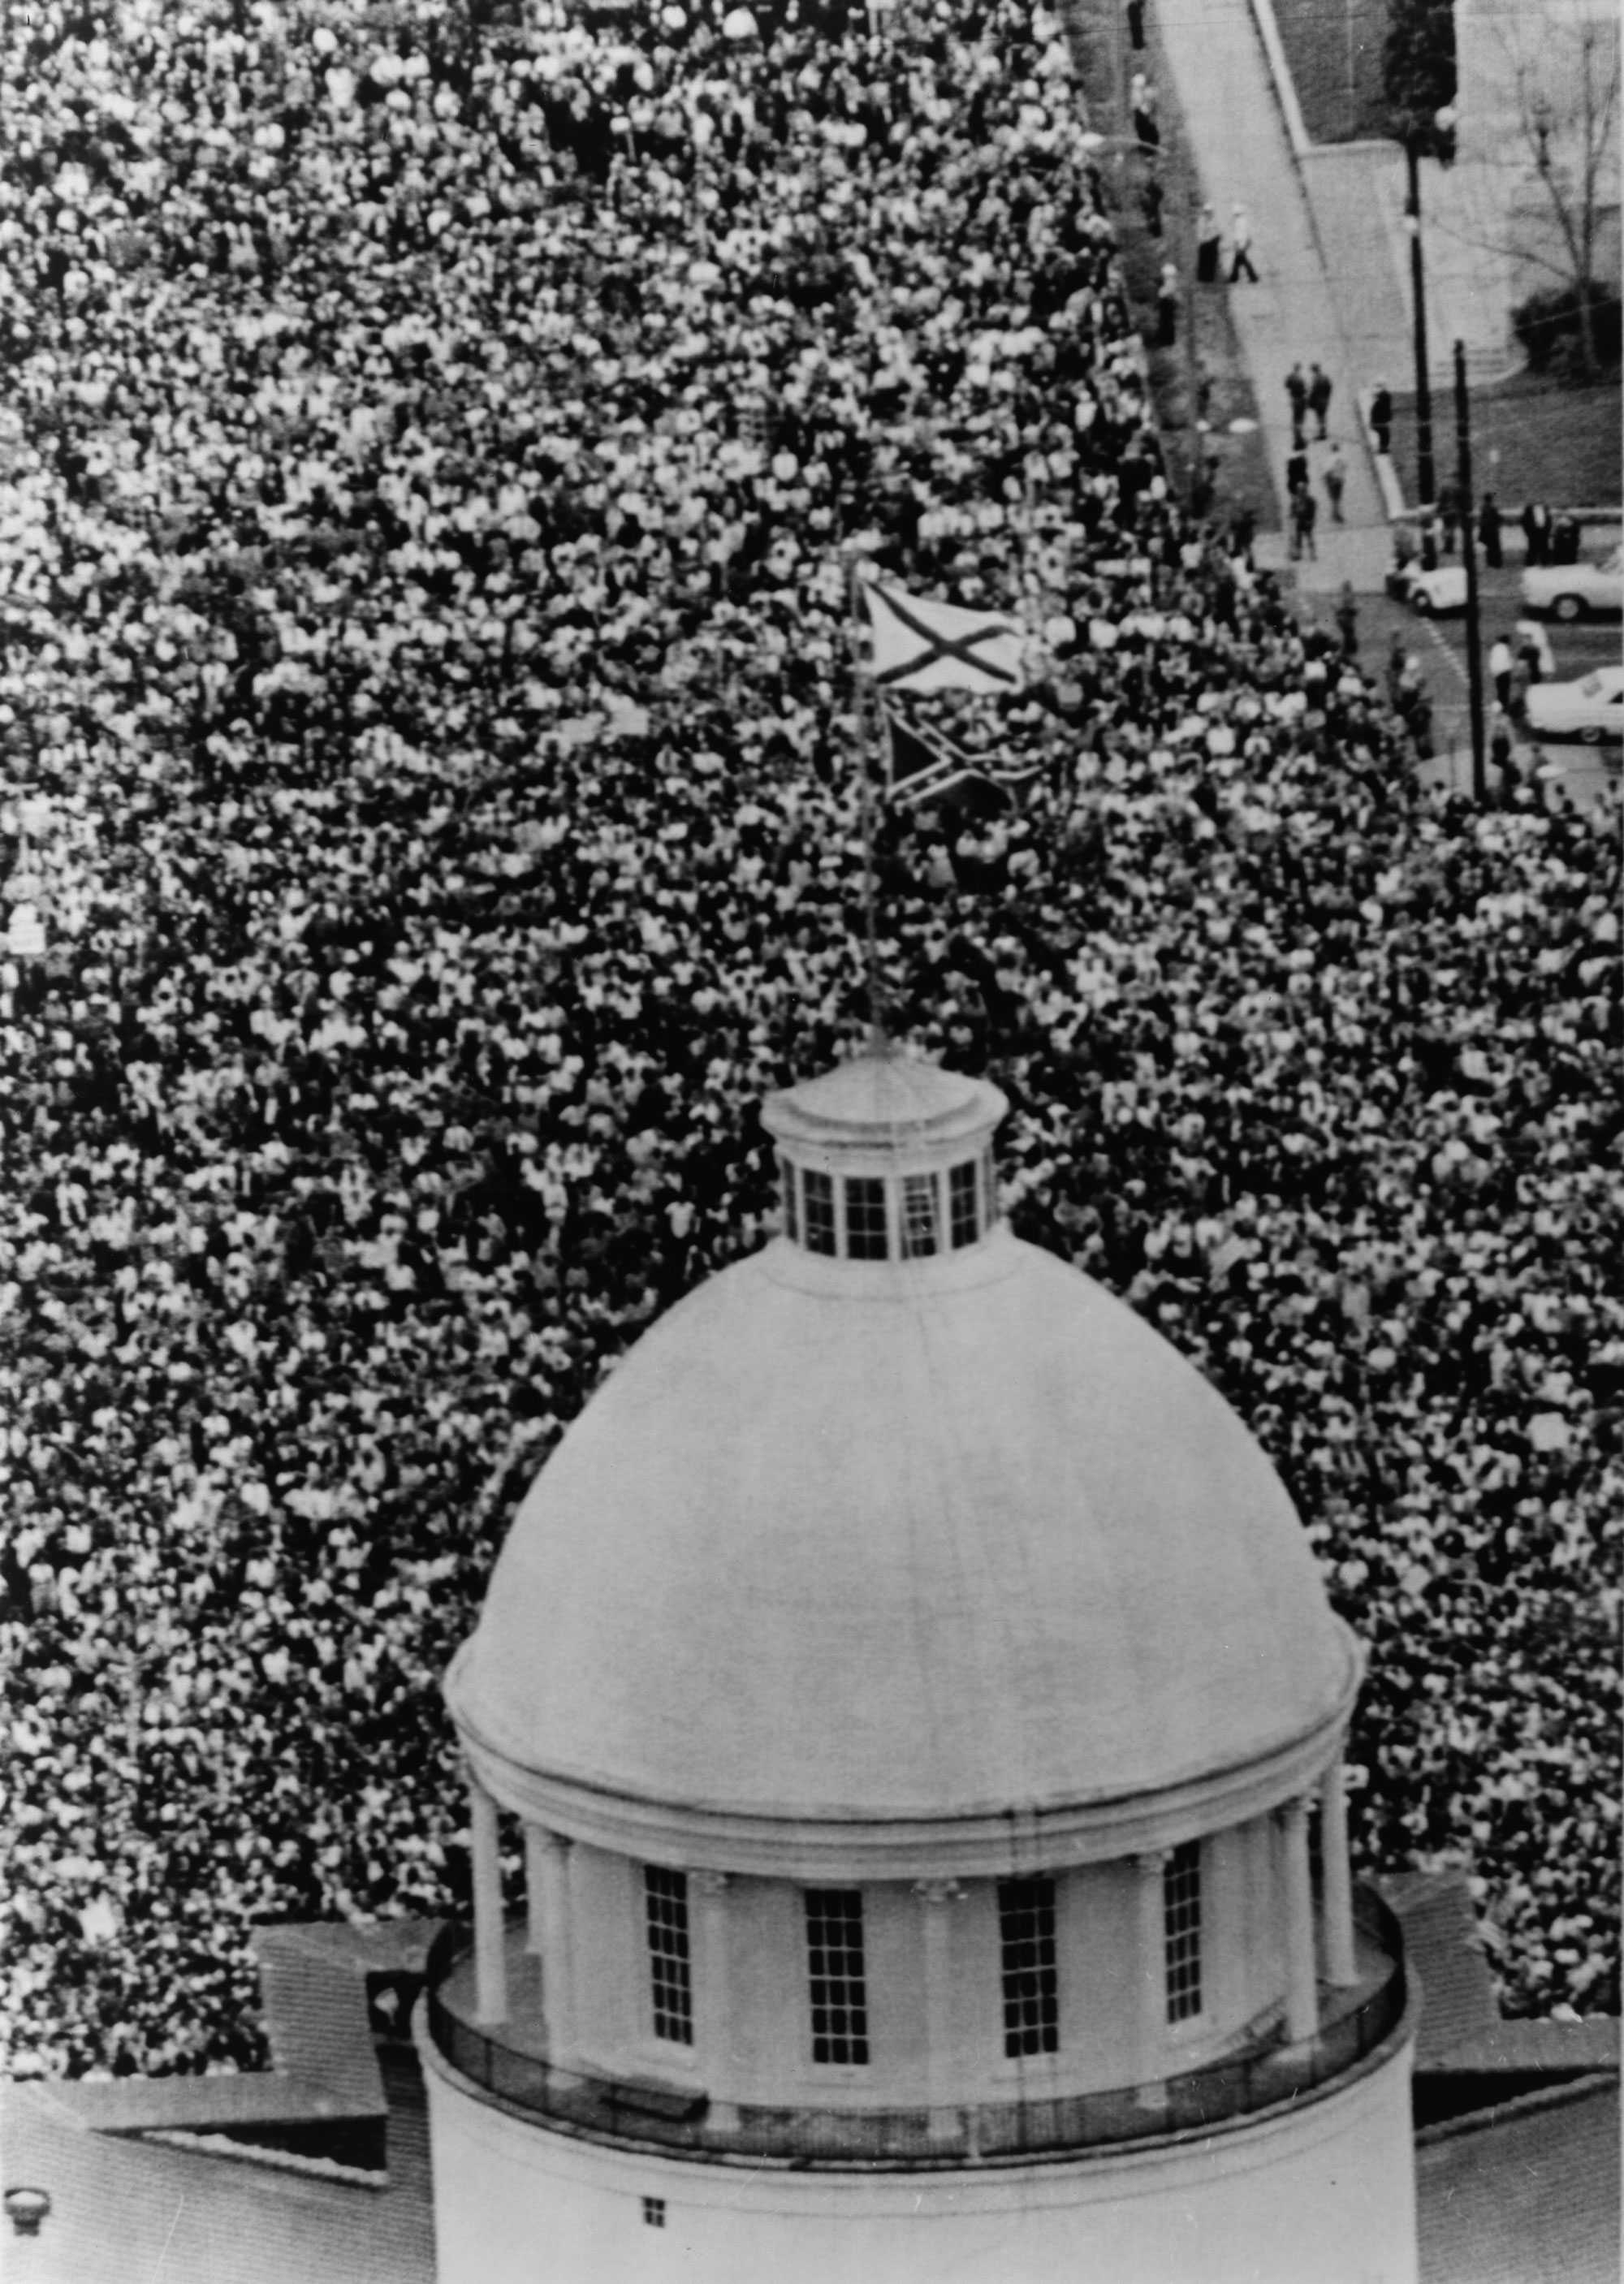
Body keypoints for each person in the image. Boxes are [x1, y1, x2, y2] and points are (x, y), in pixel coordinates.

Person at [1229, 205, 1258, 282]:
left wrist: (1237, 245)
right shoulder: (1244, 220)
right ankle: (1235, 277)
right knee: (1240, 260)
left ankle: (1252, 277)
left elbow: (1238, 235)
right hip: (1244, 243)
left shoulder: (1238, 222)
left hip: (1241, 244)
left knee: (1242, 260)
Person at [1195, 203, 1221, 283]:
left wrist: (1216, 237)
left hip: (1212, 244)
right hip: (1204, 244)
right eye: (1207, 212)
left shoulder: (1214, 220)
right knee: (1203, 263)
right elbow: (1200, 234)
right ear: (1205, 212)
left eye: (1210, 212)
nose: (1209, 213)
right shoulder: (1201, 220)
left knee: (1212, 262)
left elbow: (1217, 231)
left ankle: (1210, 279)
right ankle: (1202, 279)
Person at [1155, 259, 1178, 347]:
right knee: (1166, 321)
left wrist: (1161, 293)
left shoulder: (1170, 282)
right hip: (1167, 302)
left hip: (1167, 302)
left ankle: (1167, 340)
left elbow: (1164, 293)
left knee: (1166, 322)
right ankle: (1166, 339)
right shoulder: (1171, 281)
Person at [1489, 633, 1514, 713]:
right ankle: (1504, 708)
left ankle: (1500, 706)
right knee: (1505, 691)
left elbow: (1493, 661)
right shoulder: (1505, 648)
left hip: (1497, 673)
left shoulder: (1495, 648)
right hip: (1505, 672)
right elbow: (1508, 662)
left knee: (1500, 691)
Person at [1307, 363, 1332, 439]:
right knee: (1323, 416)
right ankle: (1324, 432)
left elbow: (1313, 391)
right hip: (1325, 400)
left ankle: (1322, 434)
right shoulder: (1325, 377)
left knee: (1319, 417)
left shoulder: (1315, 379)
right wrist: (1327, 397)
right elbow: (1330, 387)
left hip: (1318, 401)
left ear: (1314, 370)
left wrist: (1309, 401)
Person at [1323, 443, 1347, 523]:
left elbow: (1327, 471)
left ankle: (1335, 513)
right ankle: (1336, 514)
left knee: (1334, 498)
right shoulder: (1341, 458)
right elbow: (1345, 466)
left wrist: (1326, 481)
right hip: (1339, 480)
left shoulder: (1330, 458)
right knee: (1337, 498)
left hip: (1332, 479)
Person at [1521, 499, 1551, 565]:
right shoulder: (1528, 509)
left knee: (1544, 547)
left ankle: (1545, 562)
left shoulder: (1545, 508)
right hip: (1533, 531)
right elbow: (1524, 520)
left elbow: (1549, 519)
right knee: (1532, 547)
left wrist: (1548, 529)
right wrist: (1527, 531)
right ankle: (1531, 563)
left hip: (1543, 531)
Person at [1478, 492, 1503, 569]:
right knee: (1495, 548)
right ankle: (1496, 564)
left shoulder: (1483, 508)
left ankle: (1491, 563)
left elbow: (1482, 521)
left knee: (1489, 548)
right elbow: (1498, 519)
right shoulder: (1493, 508)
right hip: (1493, 531)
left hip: (1486, 531)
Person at [1285, 364, 1308, 447]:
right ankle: (1299, 438)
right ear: (1299, 369)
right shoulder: (1301, 378)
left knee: (1296, 419)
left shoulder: (1290, 377)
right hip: (1301, 400)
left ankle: (1297, 438)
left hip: (1295, 400)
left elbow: (1287, 385)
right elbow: (1305, 390)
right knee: (1300, 419)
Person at [1335, 581, 1359, 657]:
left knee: (1347, 634)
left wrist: (1338, 611)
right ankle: (1351, 648)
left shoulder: (1347, 596)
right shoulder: (1350, 595)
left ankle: (1348, 648)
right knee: (1348, 634)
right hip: (1348, 619)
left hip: (1346, 619)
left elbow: (1347, 608)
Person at [1370, 383, 1393, 456]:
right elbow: (1388, 416)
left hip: (1378, 422)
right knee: (1385, 434)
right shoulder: (1381, 405)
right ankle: (1383, 448)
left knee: (1385, 434)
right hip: (1377, 423)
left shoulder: (1379, 404)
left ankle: (1383, 448)